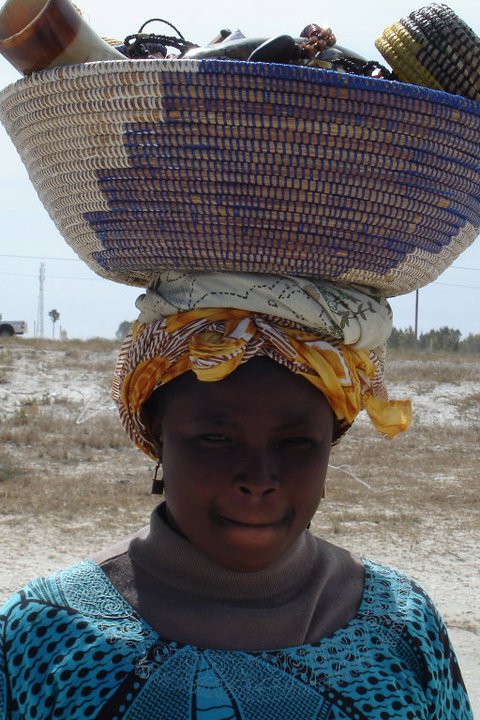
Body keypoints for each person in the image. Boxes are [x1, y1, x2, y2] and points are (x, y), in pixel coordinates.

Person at [0, 272, 474, 719]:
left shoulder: (400, 622)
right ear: (158, 436)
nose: (258, 478)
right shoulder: (45, 631)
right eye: (216, 439)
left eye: (296, 442)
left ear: (330, 443)